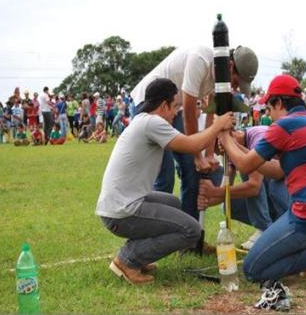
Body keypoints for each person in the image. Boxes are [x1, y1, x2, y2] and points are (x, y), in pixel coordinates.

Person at [218, 74, 306, 310]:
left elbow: (247, 165)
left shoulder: (283, 126)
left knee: (253, 269)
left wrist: (225, 138)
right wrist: (237, 145)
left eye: (269, 108)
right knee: (270, 255)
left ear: (280, 103)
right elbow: (276, 170)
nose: (268, 115)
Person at [96, 78, 235, 285]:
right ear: (164, 105)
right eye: (176, 107)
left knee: (174, 205)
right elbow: (189, 144)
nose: (176, 113)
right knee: (192, 230)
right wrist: (217, 125)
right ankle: (128, 259)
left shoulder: (143, 120)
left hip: (118, 206)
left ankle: (139, 256)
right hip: (122, 212)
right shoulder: (153, 123)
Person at [130, 45, 258, 252]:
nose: (234, 88)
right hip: (149, 105)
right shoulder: (200, 60)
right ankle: (151, 244)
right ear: (230, 66)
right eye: (236, 82)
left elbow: (209, 114)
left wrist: (208, 155)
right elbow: (190, 109)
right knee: (164, 176)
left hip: (173, 109)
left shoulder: (221, 79)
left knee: (191, 171)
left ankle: (189, 240)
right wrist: (197, 155)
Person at [198, 126, 290, 250]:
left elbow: (254, 186)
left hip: (287, 192)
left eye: (217, 147)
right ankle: (275, 228)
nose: (218, 153)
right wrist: (207, 199)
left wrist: (215, 192)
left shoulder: (258, 137)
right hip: (276, 198)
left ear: (230, 135)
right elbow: (224, 190)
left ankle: (264, 229)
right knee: (228, 206)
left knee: (248, 166)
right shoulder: (232, 152)